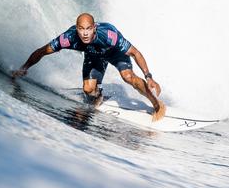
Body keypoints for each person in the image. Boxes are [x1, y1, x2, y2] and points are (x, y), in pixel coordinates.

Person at [12, 13, 166, 121]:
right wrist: (24, 68)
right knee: (88, 90)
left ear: (94, 28)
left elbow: (135, 53)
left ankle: (155, 103)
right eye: (81, 29)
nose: (85, 33)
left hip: (114, 53)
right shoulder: (68, 38)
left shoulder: (109, 36)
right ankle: (99, 95)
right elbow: (42, 51)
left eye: (88, 29)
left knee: (128, 77)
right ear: (76, 28)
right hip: (94, 56)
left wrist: (149, 76)